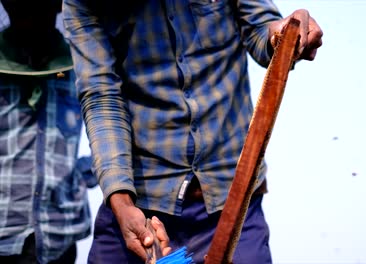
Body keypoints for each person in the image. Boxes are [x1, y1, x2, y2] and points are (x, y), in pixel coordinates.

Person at [63, 0, 323, 263]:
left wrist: (283, 34)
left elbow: (261, 30)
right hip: (140, 206)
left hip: (232, 199)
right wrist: (121, 203)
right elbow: (101, 97)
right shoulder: (82, 3)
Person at [0, 0, 97, 263]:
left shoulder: (79, 70)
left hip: (60, 232)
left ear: (55, 10)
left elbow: (110, 125)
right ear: (9, 10)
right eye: (23, 10)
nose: (30, 21)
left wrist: (82, 174)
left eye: (38, 10)